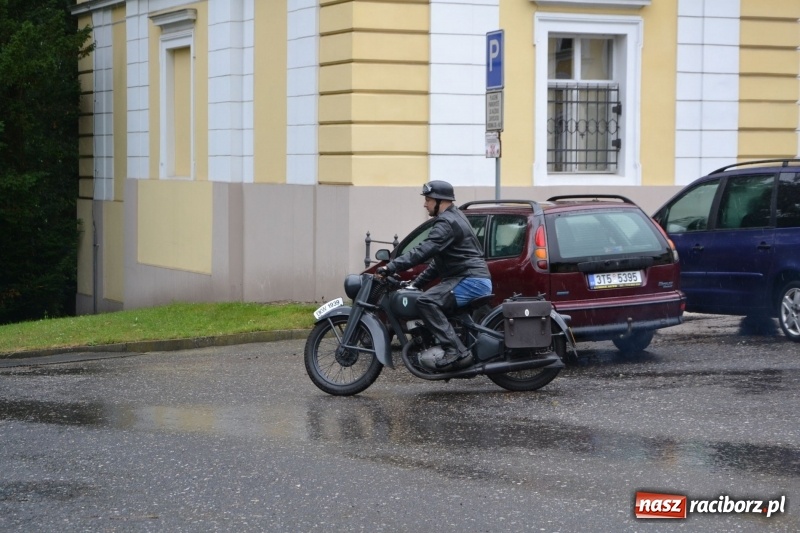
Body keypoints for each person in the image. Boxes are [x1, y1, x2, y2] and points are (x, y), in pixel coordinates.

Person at [377, 180, 492, 368]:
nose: (425, 204)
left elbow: (423, 250)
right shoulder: (455, 217)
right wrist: (416, 283)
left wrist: (391, 267)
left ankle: (455, 350)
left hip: (470, 279)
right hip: (469, 277)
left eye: (428, 200)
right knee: (428, 299)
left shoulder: (446, 222)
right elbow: (437, 263)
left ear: (441, 201)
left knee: (427, 301)